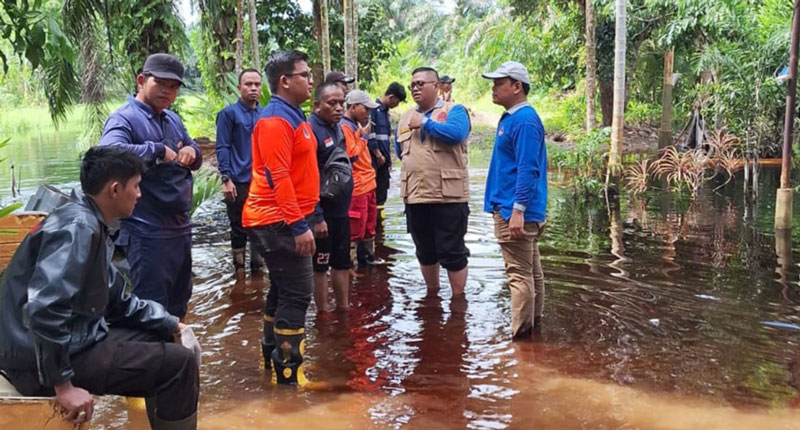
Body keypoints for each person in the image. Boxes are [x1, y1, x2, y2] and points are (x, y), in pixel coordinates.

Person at [0, 146, 199, 430]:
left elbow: (119, 300)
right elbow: (45, 307)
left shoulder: (89, 221)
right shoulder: (78, 228)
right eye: (137, 186)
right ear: (115, 189)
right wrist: (63, 385)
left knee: (166, 340)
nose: (140, 194)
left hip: (66, 339)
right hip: (35, 359)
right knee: (179, 366)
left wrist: (172, 325)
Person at [99, 53, 203, 319]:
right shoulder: (125, 118)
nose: (168, 91)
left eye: (174, 86)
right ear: (141, 80)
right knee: (152, 309)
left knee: (179, 303)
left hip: (179, 230)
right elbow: (107, 153)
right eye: (161, 83)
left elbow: (193, 149)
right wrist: (156, 150)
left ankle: (176, 358)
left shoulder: (172, 119)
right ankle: (153, 359)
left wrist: (192, 151)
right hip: (146, 232)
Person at [243, 50, 318, 386]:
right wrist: (298, 225)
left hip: (280, 217)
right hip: (277, 220)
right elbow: (278, 176)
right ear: (285, 81)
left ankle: (271, 365)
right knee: (298, 294)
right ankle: (289, 372)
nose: (311, 80)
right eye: (305, 75)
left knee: (282, 289)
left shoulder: (293, 115)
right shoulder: (275, 120)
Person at [482, 61, 548, 339]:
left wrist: (517, 210)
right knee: (531, 273)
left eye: (499, 83)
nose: (494, 88)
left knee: (519, 276)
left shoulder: (523, 120)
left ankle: (520, 342)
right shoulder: (515, 118)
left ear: (517, 87)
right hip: (517, 208)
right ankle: (534, 332)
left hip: (515, 210)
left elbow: (528, 168)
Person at [397, 66, 471, 296]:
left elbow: (457, 134)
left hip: (448, 195)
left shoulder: (455, 110)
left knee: (452, 251)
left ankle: (459, 302)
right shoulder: (404, 118)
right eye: (412, 85)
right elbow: (401, 152)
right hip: (416, 195)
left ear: (436, 86)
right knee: (424, 250)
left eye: (421, 84)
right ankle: (432, 295)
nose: (415, 89)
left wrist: (427, 123)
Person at [215, 68, 265, 280]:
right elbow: (222, 146)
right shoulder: (228, 114)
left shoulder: (264, 114)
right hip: (239, 180)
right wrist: (226, 178)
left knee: (260, 226)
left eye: (256, 84)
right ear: (239, 88)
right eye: (248, 84)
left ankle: (257, 270)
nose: (253, 88)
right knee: (238, 227)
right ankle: (239, 272)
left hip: (261, 182)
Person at [309, 82, 353, 311]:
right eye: (332, 103)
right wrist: (317, 216)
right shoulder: (311, 130)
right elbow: (308, 177)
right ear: (317, 105)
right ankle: (323, 313)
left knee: (342, 262)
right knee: (320, 265)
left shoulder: (336, 127)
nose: (338, 108)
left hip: (341, 211)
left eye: (341, 103)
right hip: (323, 214)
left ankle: (344, 309)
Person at [365, 82, 406, 259]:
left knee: (382, 192)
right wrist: (378, 155)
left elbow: (386, 139)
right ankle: (374, 230)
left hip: (383, 161)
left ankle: (379, 231)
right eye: (397, 101)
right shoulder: (374, 109)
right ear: (391, 97)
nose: (396, 105)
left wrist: (388, 160)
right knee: (374, 193)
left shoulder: (386, 114)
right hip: (374, 160)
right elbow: (371, 135)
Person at [341, 90, 379, 270]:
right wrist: (363, 136)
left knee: (369, 226)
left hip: (368, 183)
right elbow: (351, 155)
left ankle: (368, 262)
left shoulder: (354, 125)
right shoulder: (345, 127)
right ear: (354, 106)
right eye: (366, 108)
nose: (368, 113)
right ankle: (351, 268)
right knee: (355, 230)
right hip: (357, 186)